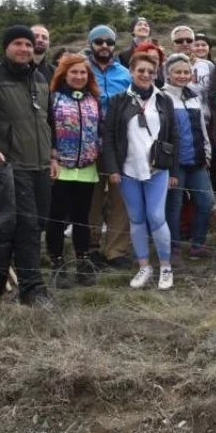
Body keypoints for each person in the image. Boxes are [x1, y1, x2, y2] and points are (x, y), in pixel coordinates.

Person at [0, 25, 54, 307]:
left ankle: (13, 280)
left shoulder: (41, 76)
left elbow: (49, 119)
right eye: (18, 43)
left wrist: (53, 156)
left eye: (28, 45)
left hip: (41, 163)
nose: (24, 49)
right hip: (11, 164)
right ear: (6, 47)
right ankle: (32, 289)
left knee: (38, 223)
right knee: (28, 225)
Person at [100, 51, 179, 291]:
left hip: (157, 169)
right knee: (136, 218)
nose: (145, 75)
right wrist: (112, 168)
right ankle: (144, 266)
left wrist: (173, 170)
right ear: (132, 72)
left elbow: (174, 135)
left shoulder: (164, 100)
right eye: (141, 70)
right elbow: (109, 137)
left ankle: (166, 267)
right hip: (128, 170)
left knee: (156, 217)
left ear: (156, 74)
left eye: (150, 71)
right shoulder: (118, 100)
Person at [46, 53, 102, 287]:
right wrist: (51, 155)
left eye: (83, 73)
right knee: (56, 217)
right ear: (64, 74)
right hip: (61, 166)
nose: (79, 76)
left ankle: (83, 259)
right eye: (74, 72)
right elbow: (46, 128)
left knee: (82, 217)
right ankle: (57, 261)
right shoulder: (53, 98)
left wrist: (97, 148)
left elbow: (100, 129)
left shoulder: (93, 99)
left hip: (87, 167)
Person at [85, 25, 132, 268]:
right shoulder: (81, 69)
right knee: (91, 199)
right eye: (99, 41)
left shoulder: (125, 73)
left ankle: (116, 251)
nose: (105, 46)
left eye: (109, 42)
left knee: (120, 200)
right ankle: (90, 247)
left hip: (118, 146)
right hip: (87, 145)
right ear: (91, 43)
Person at [162, 53, 214, 260]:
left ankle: (197, 244)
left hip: (197, 159)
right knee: (174, 206)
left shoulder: (194, 96)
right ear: (168, 74)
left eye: (186, 72)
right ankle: (173, 247)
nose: (182, 76)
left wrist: (207, 152)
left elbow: (202, 127)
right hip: (174, 163)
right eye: (178, 72)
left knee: (206, 202)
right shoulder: (162, 96)